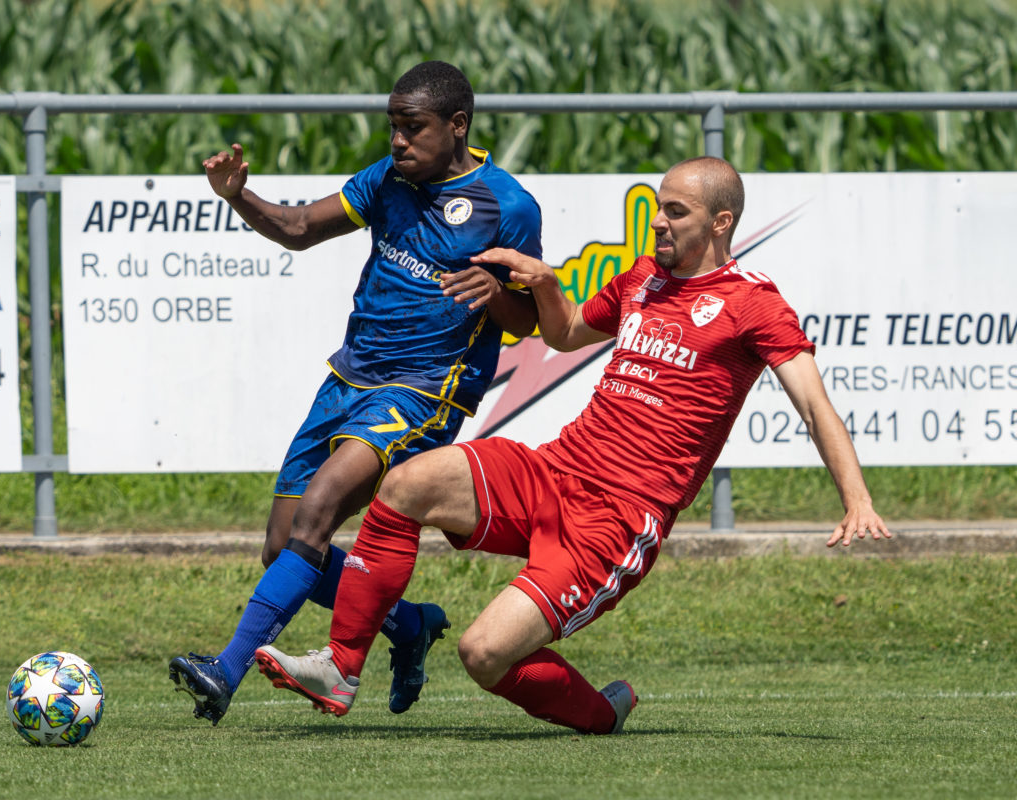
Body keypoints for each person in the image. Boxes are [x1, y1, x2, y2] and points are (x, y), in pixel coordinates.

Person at [253, 156, 892, 734]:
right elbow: (562, 334)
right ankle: (341, 666)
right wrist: (543, 281)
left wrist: (856, 500)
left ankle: (600, 714)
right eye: (659, 205)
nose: (659, 222)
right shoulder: (644, 277)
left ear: (721, 222)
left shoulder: (752, 304)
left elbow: (812, 401)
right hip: (556, 470)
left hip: (617, 519)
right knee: (407, 482)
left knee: (483, 653)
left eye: (677, 211)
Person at [168, 61, 544, 725]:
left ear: (457, 126)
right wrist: (236, 196)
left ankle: (224, 672)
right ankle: (406, 624)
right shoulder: (388, 179)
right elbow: (299, 228)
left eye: (413, 127)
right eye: (393, 126)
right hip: (349, 376)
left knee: (318, 511)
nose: (398, 141)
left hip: (425, 390)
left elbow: (530, 318)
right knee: (285, 544)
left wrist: (498, 298)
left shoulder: (506, 207)